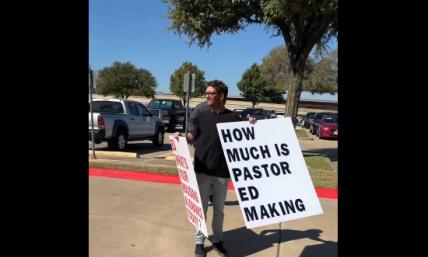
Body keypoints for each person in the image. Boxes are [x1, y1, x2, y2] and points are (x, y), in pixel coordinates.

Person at [174, 80, 256, 257]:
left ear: (221, 96)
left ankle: (218, 239)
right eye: (207, 92)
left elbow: (246, 139)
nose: (207, 96)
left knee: (219, 209)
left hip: (222, 172)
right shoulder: (202, 115)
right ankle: (199, 241)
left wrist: (251, 123)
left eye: (211, 93)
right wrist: (182, 138)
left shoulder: (234, 118)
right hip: (202, 169)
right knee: (201, 209)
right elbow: (193, 139)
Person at [187, 100, 214, 206]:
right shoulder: (201, 107)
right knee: (202, 171)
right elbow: (190, 121)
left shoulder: (222, 109)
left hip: (216, 145)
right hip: (202, 145)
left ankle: (211, 196)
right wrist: (195, 135)